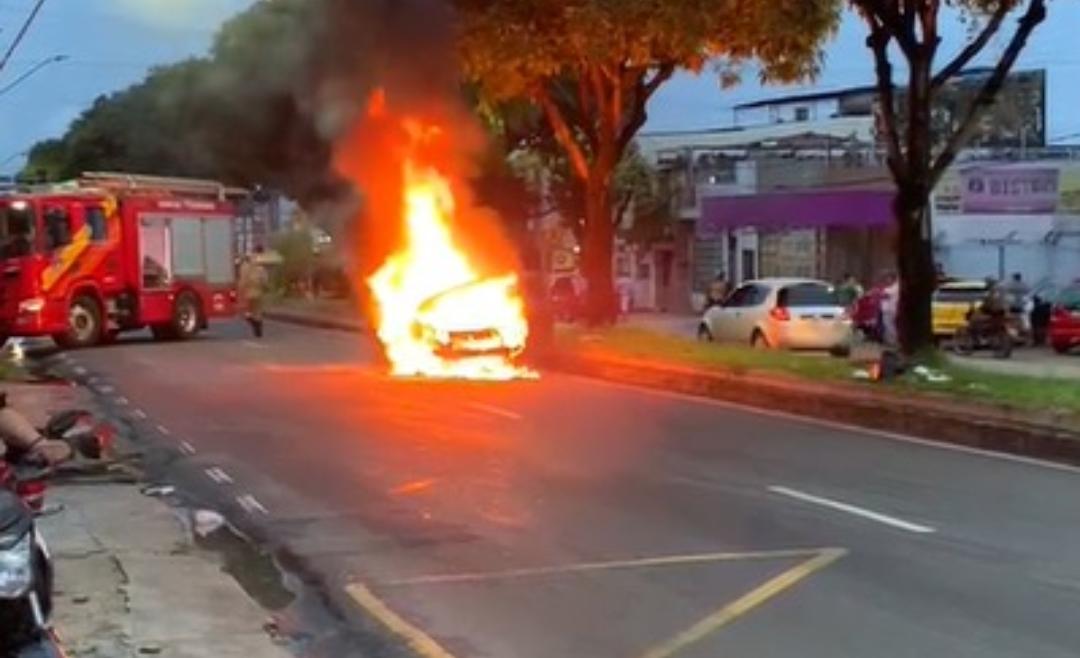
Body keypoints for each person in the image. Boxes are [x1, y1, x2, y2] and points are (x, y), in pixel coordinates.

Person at [238, 248, 270, 338]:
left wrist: (240, 292)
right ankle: (258, 330)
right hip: (258, 292)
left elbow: (242, 282)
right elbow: (265, 281)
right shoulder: (260, 269)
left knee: (247, 312)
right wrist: (266, 288)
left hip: (248, 293)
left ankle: (253, 322)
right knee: (258, 312)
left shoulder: (244, 268)